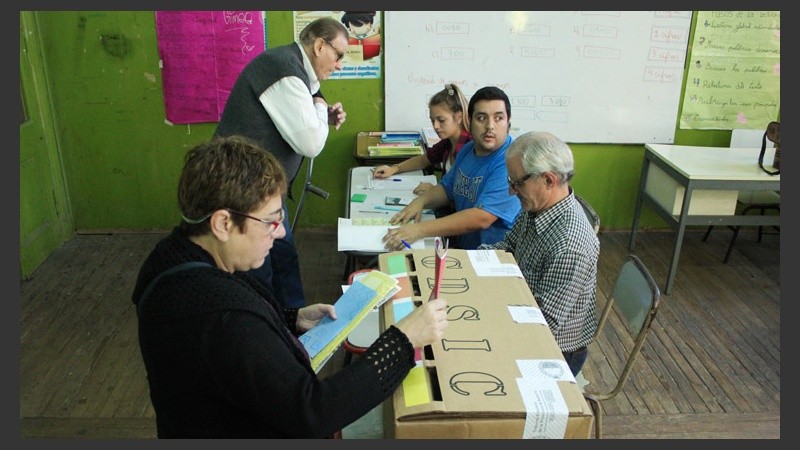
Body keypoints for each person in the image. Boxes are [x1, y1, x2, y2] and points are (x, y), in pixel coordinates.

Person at [132, 135, 448, 438]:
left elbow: (220, 350)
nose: (281, 232)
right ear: (223, 224)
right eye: (270, 220)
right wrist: (403, 341)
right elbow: (314, 411)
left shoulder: (170, 257)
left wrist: (287, 318)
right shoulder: (224, 317)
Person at [214, 17, 348, 309]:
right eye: (338, 55)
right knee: (258, 269)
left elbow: (294, 120)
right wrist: (320, 107)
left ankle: (293, 319)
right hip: (244, 191)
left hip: (263, 188)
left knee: (283, 256)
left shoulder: (293, 69)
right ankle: (267, 322)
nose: (339, 65)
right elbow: (311, 144)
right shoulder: (284, 71)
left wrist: (320, 115)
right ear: (319, 46)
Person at [479, 131, 599, 376]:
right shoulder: (538, 208)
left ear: (548, 180)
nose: (511, 191)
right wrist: (469, 261)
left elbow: (541, 327)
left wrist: (489, 315)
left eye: (517, 183)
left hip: (554, 352)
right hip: (520, 306)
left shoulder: (569, 246)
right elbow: (508, 247)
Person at [381, 86, 521, 251]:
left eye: (498, 118)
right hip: (462, 247)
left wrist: (419, 230)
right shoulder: (468, 149)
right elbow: (447, 188)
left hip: (490, 257)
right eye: (482, 118)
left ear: (508, 122)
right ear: (470, 120)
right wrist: (420, 202)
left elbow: (482, 217)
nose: (490, 126)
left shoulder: (511, 161)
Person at [373, 83, 472, 198]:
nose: (436, 126)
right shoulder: (448, 142)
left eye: (441, 120)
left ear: (459, 117)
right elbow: (425, 159)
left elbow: (466, 194)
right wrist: (394, 169)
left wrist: (434, 190)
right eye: (432, 120)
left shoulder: (471, 147)